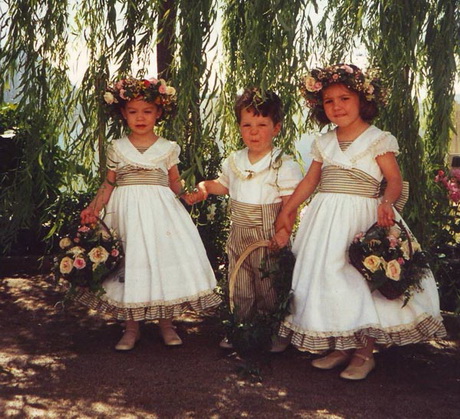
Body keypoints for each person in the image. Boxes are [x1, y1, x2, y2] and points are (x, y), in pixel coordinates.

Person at [275, 64, 446, 380]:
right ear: (320, 106)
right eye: (328, 101)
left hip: (362, 216)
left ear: (362, 101)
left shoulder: (377, 139)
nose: (336, 107)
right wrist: (289, 210)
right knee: (328, 277)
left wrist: (386, 202)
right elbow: (311, 181)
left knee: (363, 279)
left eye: (344, 99)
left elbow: (394, 180)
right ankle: (341, 345)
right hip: (325, 218)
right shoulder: (324, 143)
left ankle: (364, 352)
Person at [78, 76, 220, 351]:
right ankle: (131, 328)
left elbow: (175, 183)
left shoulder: (167, 148)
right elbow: (109, 183)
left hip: (160, 213)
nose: (140, 117)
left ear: (158, 113)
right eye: (133, 112)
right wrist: (94, 208)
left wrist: (188, 195)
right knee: (130, 264)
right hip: (126, 211)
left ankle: (166, 324)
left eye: (147, 111)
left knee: (160, 261)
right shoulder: (117, 148)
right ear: (123, 113)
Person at [186, 88, 303, 351]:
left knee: (268, 284)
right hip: (239, 232)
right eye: (247, 125)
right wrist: (204, 188)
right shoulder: (235, 160)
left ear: (276, 128)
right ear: (239, 127)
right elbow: (223, 185)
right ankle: (242, 327)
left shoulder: (282, 165)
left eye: (262, 125)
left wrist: (283, 232)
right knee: (240, 283)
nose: (254, 131)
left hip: (268, 233)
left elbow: (289, 205)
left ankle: (274, 331)